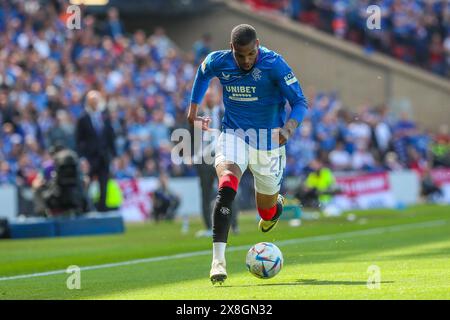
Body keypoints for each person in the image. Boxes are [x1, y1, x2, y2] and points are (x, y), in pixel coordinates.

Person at [187, 24, 308, 284]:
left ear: (257, 46)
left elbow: (299, 102)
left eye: (251, 54)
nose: (246, 61)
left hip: (268, 142)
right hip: (234, 135)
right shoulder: (218, 60)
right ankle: (218, 261)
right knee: (227, 184)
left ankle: (275, 209)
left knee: (265, 213)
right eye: (240, 55)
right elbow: (202, 73)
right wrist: (193, 108)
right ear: (232, 49)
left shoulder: (274, 64)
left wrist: (289, 126)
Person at [194, 89, 240, 237]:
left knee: (228, 191)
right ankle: (208, 227)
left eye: (212, 96)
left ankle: (234, 225)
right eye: (207, 96)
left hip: (222, 158)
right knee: (205, 194)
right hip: (203, 160)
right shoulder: (197, 116)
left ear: (217, 98)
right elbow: (190, 135)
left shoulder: (225, 114)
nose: (209, 99)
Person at [76, 90, 116, 212]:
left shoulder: (104, 116)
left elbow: (110, 137)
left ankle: (102, 210)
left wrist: (114, 155)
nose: (94, 103)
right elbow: (79, 140)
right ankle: (85, 208)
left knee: (103, 185)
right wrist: (82, 158)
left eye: (96, 100)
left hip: (103, 157)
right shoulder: (83, 118)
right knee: (86, 184)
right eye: (92, 101)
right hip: (90, 158)